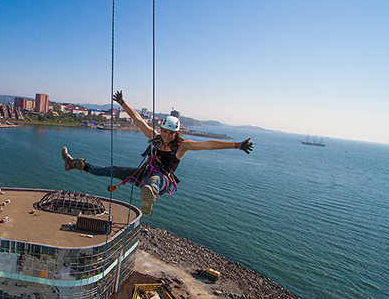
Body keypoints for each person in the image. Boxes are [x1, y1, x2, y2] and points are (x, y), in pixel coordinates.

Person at [62, 90, 253, 216]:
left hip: (161, 181)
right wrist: (123, 103)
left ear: (176, 133)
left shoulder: (182, 146)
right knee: (109, 170)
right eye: (165, 131)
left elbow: (208, 145)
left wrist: (237, 145)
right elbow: (138, 120)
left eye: (171, 132)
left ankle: (149, 197)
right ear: (161, 130)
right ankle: (75, 164)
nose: (167, 135)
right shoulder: (155, 137)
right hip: (143, 174)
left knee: (154, 180)